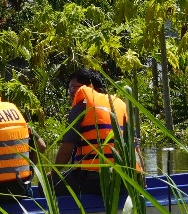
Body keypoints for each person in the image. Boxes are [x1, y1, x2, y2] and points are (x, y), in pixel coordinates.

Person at [52, 68, 137, 196]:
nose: (71, 93)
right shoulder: (121, 105)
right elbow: (136, 148)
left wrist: (53, 174)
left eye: (75, 88)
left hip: (93, 181)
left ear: (90, 87)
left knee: (46, 185)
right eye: (69, 89)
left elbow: (65, 153)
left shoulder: (81, 107)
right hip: (127, 181)